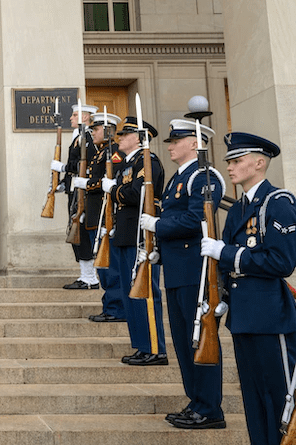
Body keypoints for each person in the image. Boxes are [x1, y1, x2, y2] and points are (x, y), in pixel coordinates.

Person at [201, 132, 296, 444]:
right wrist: (222, 296)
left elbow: (282, 263)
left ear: (259, 163)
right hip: (243, 317)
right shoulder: (239, 208)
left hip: (270, 316)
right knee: (254, 402)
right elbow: (229, 265)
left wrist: (225, 253)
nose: (230, 167)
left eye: (237, 160)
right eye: (229, 161)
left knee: (280, 400)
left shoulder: (278, 203)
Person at [140, 119, 225, 428]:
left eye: (177, 140)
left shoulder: (204, 176)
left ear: (194, 143)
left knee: (200, 340)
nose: (171, 146)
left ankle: (210, 408)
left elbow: (194, 219)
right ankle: (196, 401)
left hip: (196, 272)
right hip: (177, 270)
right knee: (182, 339)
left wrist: (157, 226)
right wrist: (158, 246)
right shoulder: (180, 176)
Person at [101, 117, 167, 366]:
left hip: (140, 235)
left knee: (145, 292)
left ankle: (155, 349)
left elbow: (139, 193)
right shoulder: (128, 164)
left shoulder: (147, 161)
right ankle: (142, 345)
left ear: (139, 138)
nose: (119, 139)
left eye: (124, 135)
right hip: (125, 233)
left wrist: (113, 189)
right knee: (132, 294)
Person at [74, 112, 125, 322]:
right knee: (103, 267)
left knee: (109, 267)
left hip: (106, 216)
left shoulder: (113, 152)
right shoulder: (99, 152)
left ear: (107, 130)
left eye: (95, 129)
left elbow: (108, 180)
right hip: (96, 214)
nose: (92, 132)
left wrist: (87, 184)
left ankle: (116, 308)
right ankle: (111, 306)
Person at [51, 103, 100, 289]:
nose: (71, 118)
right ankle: (85, 275)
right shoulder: (78, 136)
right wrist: (64, 182)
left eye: (74, 115)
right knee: (76, 233)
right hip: (74, 190)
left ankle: (90, 278)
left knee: (82, 233)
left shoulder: (88, 137)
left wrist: (63, 168)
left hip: (83, 192)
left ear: (86, 117)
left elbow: (86, 164)